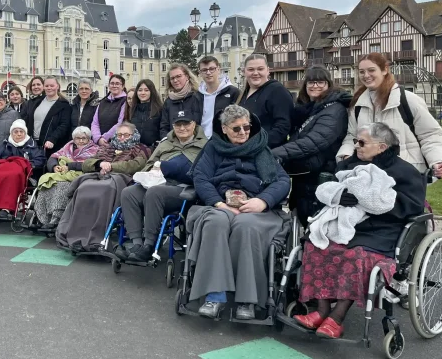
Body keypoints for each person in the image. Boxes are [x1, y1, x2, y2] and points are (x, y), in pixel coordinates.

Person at [293, 122, 426, 339]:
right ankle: (322, 310)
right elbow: (330, 189)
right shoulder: (349, 165)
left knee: (355, 254)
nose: (357, 146)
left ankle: (336, 318)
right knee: (316, 243)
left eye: (362, 142)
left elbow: (411, 206)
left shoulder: (405, 172)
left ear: (382, 147)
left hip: (384, 229)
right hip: (348, 224)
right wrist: (338, 197)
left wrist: (370, 202)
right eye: (356, 141)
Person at [188, 105, 291, 320]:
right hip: (220, 205)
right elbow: (201, 178)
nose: (243, 132)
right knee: (216, 222)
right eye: (237, 129)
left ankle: (248, 299)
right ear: (224, 129)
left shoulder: (261, 149)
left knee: (245, 226)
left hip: (255, 207)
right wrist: (219, 204)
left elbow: (282, 181)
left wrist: (262, 201)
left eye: (246, 127)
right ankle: (214, 295)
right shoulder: (213, 148)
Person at [337, 52, 442, 178]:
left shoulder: (408, 100)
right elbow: (352, 136)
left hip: (406, 174)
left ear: (385, 70)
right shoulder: (358, 104)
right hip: (369, 174)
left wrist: (439, 160)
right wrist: (346, 156)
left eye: (371, 70)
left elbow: (431, 134)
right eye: (362, 72)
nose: (366, 75)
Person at [117, 110, 208, 262]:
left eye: (186, 124)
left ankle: (149, 244)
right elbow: (149, 164)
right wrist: (152, 170)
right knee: (129, 193)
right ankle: (136, 243)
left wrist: (168, 167)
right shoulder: (165, 143)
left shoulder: (204, 145)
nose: (182, 128)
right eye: (178, 124)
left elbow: (203, 173)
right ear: (173, 126)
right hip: (156, 182)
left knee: (155, 192)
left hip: (183, 189)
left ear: (194, 125)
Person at [271, 66, 351, 226]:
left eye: (320, 82)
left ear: (329, 84)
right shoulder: (309, 109)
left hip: (320, 176)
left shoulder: (334, 110)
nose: (315, 86)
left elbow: (314, 141)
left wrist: (276, 153)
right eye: (311, 82)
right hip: (304, 175)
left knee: (313, 223)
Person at [56, 122, 148, 253]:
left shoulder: (141, 149)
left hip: (122, 178)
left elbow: (136, 165)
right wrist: (100, 163)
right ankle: (76, 235)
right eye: (119, 134)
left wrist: (111, 166)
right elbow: (87, 163)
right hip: (99, 176)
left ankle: (96, 238)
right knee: (83, 188)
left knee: (104, 192)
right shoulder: (107, 147)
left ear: (134, 135)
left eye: (126, 135)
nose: (122, 137)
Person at [33, 126, 99, 230]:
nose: (81, 141)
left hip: (80, 175)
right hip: (62, 173)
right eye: (78, 138)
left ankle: (56, 220)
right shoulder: (68, 146)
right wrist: (55, 167)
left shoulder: (94, 149)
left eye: (84, 138)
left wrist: (69, 166)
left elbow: (89, 165)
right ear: (74, 139)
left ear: (89, 139)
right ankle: (42, 219)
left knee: (61, 185)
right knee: (47, 184)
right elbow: (53, 157)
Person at [237, 54, 293, 148]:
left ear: (268, 70)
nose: (255, 73)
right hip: (244, 149)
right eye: (251, 69)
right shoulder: (243, 94)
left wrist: (258, 145)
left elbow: (283, 126)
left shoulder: (277, 91)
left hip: (266, 150)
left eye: (260, 69)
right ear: (244, 72)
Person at [24, 77, 71, 158]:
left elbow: (64, 125)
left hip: (51, 145)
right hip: (33, 143)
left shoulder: (64, 105)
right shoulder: (37, 102)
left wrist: (52, 139)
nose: (49, 88)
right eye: (47, 86)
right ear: (44, 87)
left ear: (57, 86)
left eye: (52, 86)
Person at [197, 56, 240, 138]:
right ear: (200, 73)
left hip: (222, 139)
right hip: (200, 141)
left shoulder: (233, 92)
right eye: (204, 70)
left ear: (218, 70)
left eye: (212, 69)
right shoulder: (197, 95)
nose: (208, 73)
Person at [160, 64, 202, 135]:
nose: (175, 80)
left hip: (195, 142)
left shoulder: (198, 97)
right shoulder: (168, 101)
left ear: (187, 77)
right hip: (173, 143)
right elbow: (164, 126)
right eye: (172, 78)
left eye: (178, 76)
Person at [91, 74, 127, 145]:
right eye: (112, 83)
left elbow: (120, 123)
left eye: (117, 84)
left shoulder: (125, 101)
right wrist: (98, 138)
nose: (114, 86)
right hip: (99, 143)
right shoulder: (103, 101)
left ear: (122, 86)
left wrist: (105, 138)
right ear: (109, 85)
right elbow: (95, 123)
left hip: (116, 142)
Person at [125, 79, 163, 147]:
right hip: (135, 149)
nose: (142, 93)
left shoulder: (159, 110)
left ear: (152, 92)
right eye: (140, 90)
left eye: (146, 90)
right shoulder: (133, 110)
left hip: (153, 150)